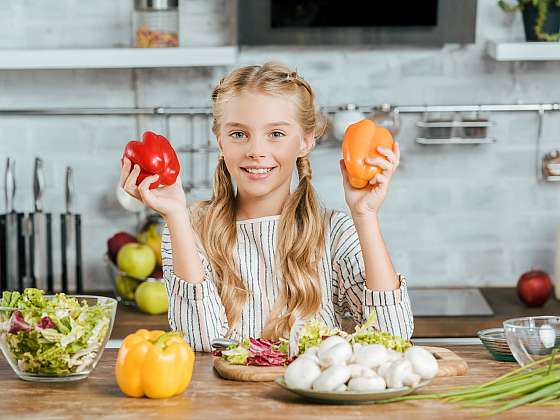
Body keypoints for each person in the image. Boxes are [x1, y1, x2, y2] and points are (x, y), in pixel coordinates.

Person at [119, 62, 413, 352]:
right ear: (220, 142)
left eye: (276, 134)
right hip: (225, 399)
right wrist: (176, 214)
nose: (256, 151)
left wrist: (365, 214)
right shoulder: (189, 228)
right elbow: (201, 340)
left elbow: (392, 337)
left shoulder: (334, 231)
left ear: (305, 142)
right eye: (238, 134)